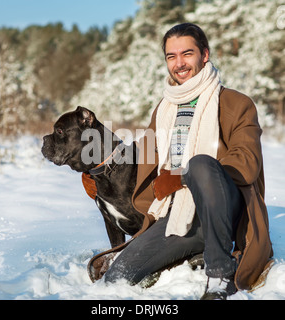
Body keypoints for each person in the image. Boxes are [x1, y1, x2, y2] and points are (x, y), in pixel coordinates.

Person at [103, 23, 273, 300]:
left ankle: (220, 273)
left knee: (201, 165)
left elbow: (247, 162)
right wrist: (102, 167)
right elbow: (144, 154)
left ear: (204, 55)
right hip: (178, 215)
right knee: (116, 278)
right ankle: (191, 253)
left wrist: (182, 177)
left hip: (223, 210)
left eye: (187, 54)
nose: (179, 63)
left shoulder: (236, 103)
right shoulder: (165, 108)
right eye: (171, 56)